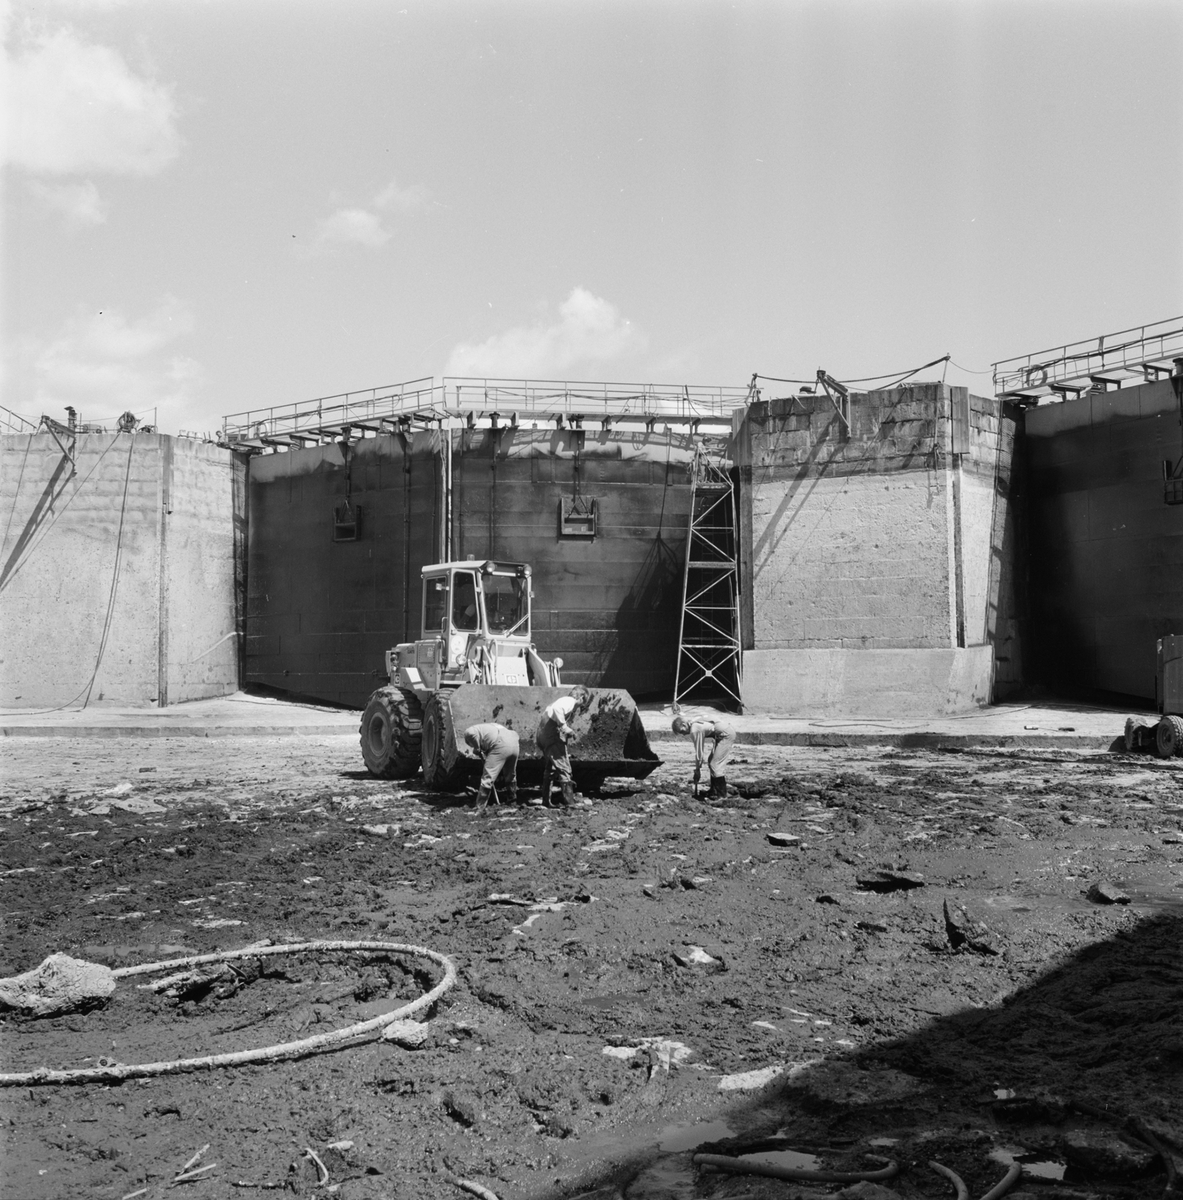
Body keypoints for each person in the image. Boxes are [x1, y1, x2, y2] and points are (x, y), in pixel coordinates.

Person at [535, 686, 590, 808]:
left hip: (543, 736)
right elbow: (558, 709)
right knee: (564, 768)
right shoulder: (569, 701)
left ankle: (546, 801)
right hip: (551, 737)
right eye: (581, 704)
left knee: (550, 768)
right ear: (581, 697)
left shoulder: (560, 700)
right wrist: (564, 727)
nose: (578, 707)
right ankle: (570, 803)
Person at [670, 712, 736, 799]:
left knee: (715, 764)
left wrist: (697, 770)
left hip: (726, 735)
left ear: (684, 724)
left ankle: (722, 795)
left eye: (682, 731)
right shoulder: (694, 720)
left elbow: (699, 753)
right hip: (723, 732)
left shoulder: (694, 729)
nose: (684, 734)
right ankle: (714, 791)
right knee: (711, 760)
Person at [462, 722, 519, 812]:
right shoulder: (489, 727)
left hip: (500, 743)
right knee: (510, 774)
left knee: (487, 778)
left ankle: (480, 807)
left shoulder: (469, 732)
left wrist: (476, 747)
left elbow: (470, 733)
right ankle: (512, 801)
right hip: (514, 742)